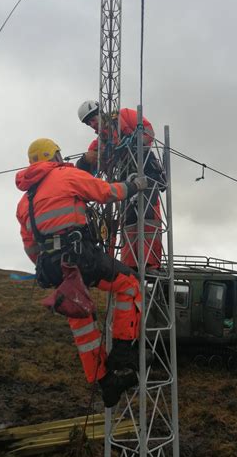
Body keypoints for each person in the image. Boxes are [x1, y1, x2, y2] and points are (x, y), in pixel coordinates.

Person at [15, 138, 148, 408]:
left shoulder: (24, 201)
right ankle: (123, 354)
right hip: (79, 255)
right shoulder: (65, 175)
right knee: (130, 284)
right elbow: (107, 192)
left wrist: (49, 265)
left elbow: (30, 247)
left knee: (78, 314)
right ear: (56, 156)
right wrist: (134, 186)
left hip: (52, 267)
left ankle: (106, 381)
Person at [77, 100, 165, 269]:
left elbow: (148, 133)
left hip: (146, 170)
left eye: (93, 119)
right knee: (129, 220)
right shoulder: (99, 143)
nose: (92, 124)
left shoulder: (126, 115)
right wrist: (85, 160)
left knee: (147, 216)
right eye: (89, 123)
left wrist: (128, 144)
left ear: (101, 112)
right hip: (126, 181)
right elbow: (87, 172)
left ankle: (150, 262)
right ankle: (131, 264)